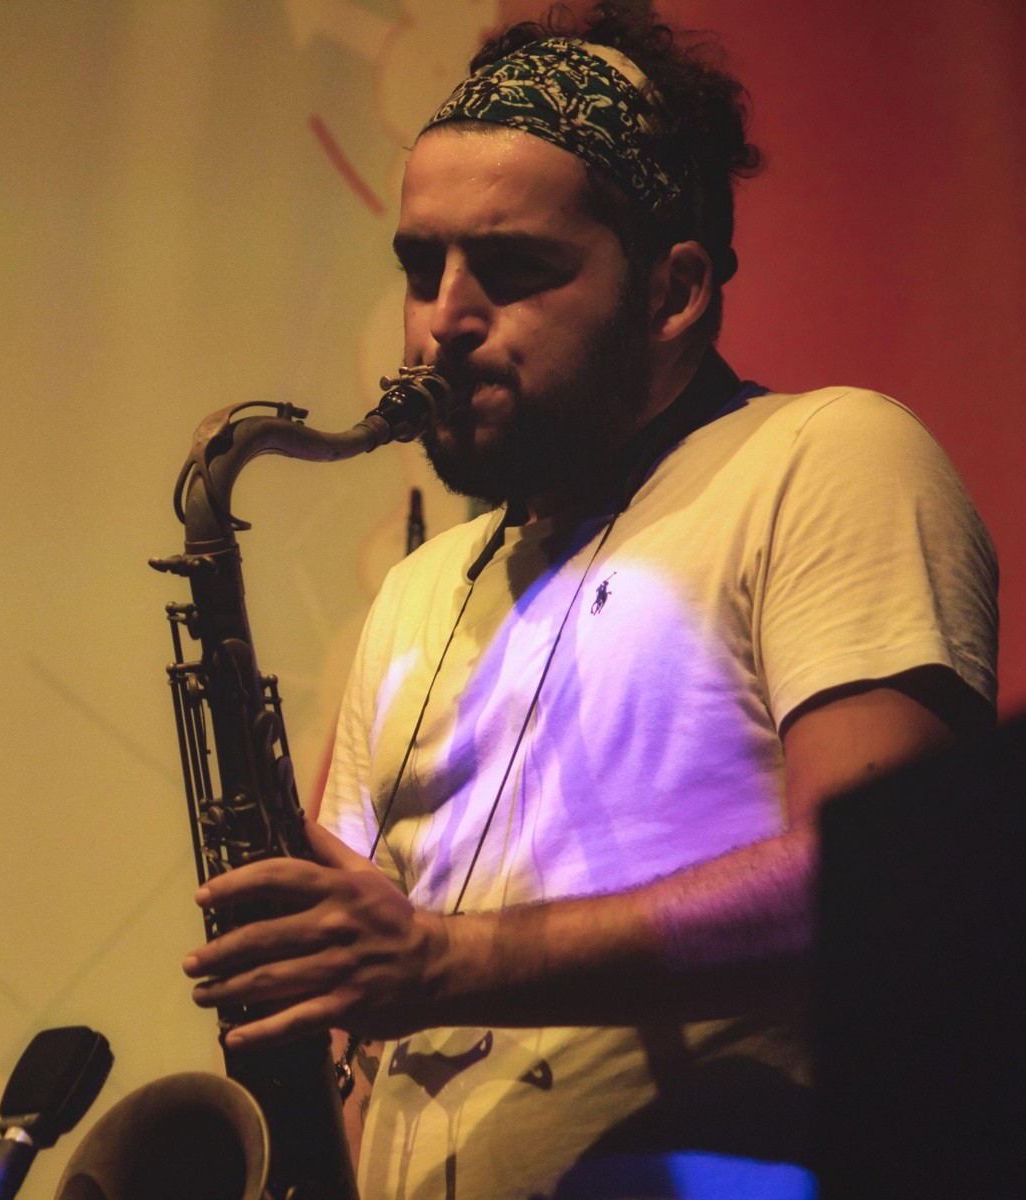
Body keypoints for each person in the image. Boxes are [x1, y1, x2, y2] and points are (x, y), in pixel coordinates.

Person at [181, 5, 999, 1198]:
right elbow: (357, 1009)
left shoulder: (828, 457)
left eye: (511, 270)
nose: (443, 320)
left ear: (674, 292)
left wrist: (439, 961)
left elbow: (886, 886)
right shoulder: (417, 594)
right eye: (420, 266)